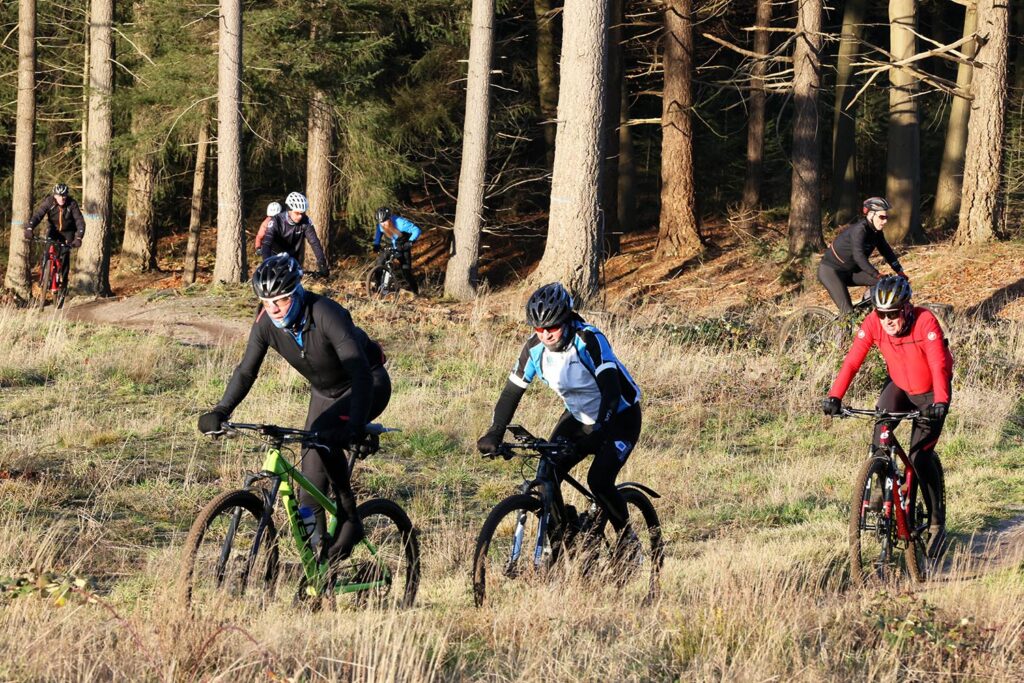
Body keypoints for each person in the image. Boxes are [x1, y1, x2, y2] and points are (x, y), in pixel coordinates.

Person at [197, 253, 390, 564]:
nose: (273, 308)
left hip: (367, 384)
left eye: (281, 300)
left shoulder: (326, 313)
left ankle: (350, 515)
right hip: (325, 394)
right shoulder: (265, 324)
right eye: (266, 300)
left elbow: (360, 372)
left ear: (297, 291)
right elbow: (247, 371)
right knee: (309, 494)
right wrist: (221, 409)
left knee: (325, 434)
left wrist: (354, 425)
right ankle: (319, 565)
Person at [476, 282, 643, 557]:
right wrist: (495, 431)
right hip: (578, 417)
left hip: (620, 416)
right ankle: (565, 543)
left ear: (565, 319)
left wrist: (602, 428)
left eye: (551, 328)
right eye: (539, 329)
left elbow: (612, 391)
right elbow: (511, 393)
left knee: (599, 480)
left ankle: (628, 542)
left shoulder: (588, 340)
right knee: (546, 474)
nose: (546, 335)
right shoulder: (533, 350)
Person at [822, 275, 953, 558]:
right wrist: (835, 396)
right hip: (900, 387)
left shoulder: (925, 321)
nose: (887, 320)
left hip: (931, 393)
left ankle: (936, 523)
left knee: (919, 457)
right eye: (882, 314)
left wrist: (941, 400)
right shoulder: (873, 323)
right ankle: (881, 483)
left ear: (906, 308)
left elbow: (938, 362)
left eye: (893, 313)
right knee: (881, 429)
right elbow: (853, 360)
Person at [819, 197, 906, 316]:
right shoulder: (859, 230)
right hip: (831, 271)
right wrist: (876, 273)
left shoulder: (876, 232)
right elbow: (858, 256)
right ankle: (841, 333)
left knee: (883, 283)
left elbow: (886, 251)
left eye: (886, 217)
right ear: (870, 215)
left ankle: (863, 312)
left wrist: (899, 270)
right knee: (847, 312)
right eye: (882, 217)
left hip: (851, 271)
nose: (885, 221)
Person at [23, 183, 86, 285]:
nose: (61, 198)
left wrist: (78, 237)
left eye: (64, 195)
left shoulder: (72, 204)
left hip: (68, 232)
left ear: (67, 195)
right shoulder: (49, 202)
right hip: (54, 230)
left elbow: (79, 221)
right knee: (48, 252)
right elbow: (38, 215)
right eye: (59, 196)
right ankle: (44, 277)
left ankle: (64, 280)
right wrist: (30, 228)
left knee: (65, 254)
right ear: (54, 195)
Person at [260, 192, 329, 277]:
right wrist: (267, 263)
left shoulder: (305, 221)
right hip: (274, 256)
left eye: (302, 213)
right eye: (297, 213)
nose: (300, 216)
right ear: (289, 210)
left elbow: (314, 242)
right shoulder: (276, 220)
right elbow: (266, 243)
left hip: (293, 257)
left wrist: (322, 263)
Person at [372, 207, 421, 295]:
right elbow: (379, 231)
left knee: (406, 272)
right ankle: (378, 286)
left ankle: (415, 292)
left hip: (403, 247)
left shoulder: (401, 223)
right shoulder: (381, 224)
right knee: (379, 264)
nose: (382, 224)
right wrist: (376, 243)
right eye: (381, 222)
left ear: (390, 218)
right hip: (390, 246)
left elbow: (416, 230)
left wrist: (410, 242)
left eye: (384, 221)